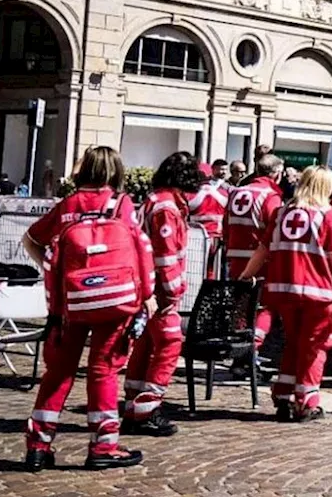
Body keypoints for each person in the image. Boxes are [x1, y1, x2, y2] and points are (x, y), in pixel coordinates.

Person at [21, 146, 153, 471]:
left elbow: (31, 239)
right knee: (103, 370)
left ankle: (38, 445)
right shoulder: (122, 205)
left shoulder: (68, 205)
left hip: (72, 303)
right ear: (116, 172)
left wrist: (56, 272)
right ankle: (103, 446)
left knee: (60, 371)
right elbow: (139, 249)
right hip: (115, 300)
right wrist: (147, 296)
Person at [238, 166, 332, 422]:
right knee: (315, 348)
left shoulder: (281, 214)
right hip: (320, 293)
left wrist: (245, 276)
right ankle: (307, 401)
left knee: (293, 343)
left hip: (283, 291)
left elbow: (262, 250)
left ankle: (283, 395)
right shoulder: (329, 217)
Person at [122, 152, 199, 437]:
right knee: (168, 343)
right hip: (159, 292)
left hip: (146, 289)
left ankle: (134, 403)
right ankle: (147, 409)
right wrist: (171, 294)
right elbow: (165, 257)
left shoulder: (156, 201)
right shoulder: (167, 207)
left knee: (144, 346)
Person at [224, 154, 285, 353]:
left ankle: (238, 348)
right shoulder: (270, 195)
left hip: (235, 257)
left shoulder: (236, 192)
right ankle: (251, 350)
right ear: (276, 174)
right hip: (260, 260)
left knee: (241, 306)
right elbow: (274, 230)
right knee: (267, 306)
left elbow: (225, 225)